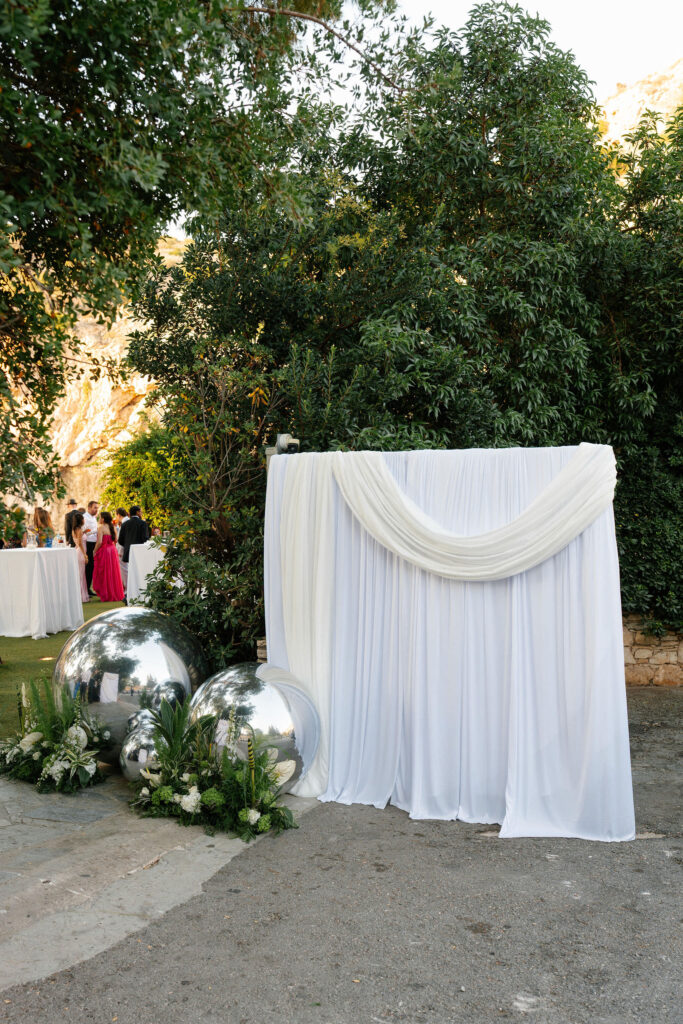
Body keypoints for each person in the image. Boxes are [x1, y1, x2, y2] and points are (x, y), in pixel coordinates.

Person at [92, 511, 124, 602]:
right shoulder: (113, 527)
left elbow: (99, 542)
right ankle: (114, 593)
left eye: (100, 517)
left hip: (105, 551)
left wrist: (94, 551)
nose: (99, 519)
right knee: (113, 571)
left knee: (104, 572)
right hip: (112, 550)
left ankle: (106, 594)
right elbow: (116, 540)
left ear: (103, 519)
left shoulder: (101, 528)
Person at [117, 505, 150, 595]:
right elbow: (145, 539)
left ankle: (131, 591)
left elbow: (120, 540)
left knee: (131, 572)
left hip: (129, 551)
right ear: (137, 512)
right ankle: (140, 590)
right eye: (141, 511)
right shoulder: (142, 523)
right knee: (140, 571)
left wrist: (128, 545)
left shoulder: (125, 524)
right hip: (140, 552)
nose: (141, 513)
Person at [71, 512, 89, 602]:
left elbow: (77, 542)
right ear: (80, 520)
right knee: (81, 575)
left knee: (80, 575)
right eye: (83, 518)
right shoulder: (79, 530)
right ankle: (82, 596)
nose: (84, 520)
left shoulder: (74, 530)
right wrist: (85, 555)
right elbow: (80, 543)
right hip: (80, 552)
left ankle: (81, 595)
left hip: (77, 551)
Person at [83, 500, 99, 596]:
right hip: (88, 543)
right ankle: (86, 588)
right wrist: (94, 531)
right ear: (89, 508)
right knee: (88, 566)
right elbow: (84, 531)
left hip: (94, 543)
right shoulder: (85, 517)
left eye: (97, 508)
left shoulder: (94, 518)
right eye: (94, 507)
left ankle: (89, 587)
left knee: (92, 566)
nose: (96, 509)